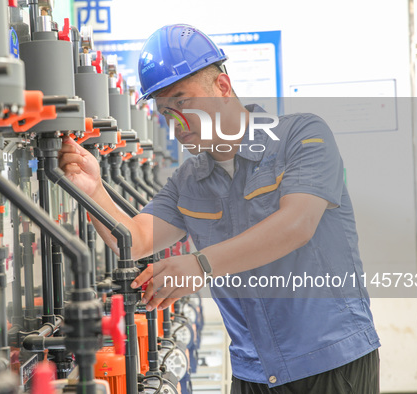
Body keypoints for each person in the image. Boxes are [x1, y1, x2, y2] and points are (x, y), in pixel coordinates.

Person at [58, 24, 380, 393]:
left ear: (223, 88)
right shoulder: (190, 179)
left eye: (182, 101)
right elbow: (136, 238)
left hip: (330, 360)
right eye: (165, 111)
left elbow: (297, 224)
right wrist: (94, 190)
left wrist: (199, 265)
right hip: (253, 370)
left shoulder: (303, 135)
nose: (175, 123)